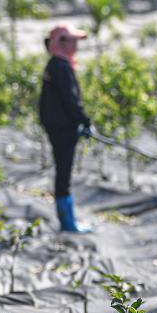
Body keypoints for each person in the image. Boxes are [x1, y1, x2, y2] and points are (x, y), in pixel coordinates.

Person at [38, 24, 93, 233]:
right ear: (61, 43)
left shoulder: (55, 65)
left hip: (59, 128)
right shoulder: (60, 67)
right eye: (72, 40)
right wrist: (84, 121)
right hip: (62, 130)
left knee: (63, 173)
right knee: (64, 174)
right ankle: (68, 224)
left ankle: (67, 221)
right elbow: (70, 100)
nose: (76, 45)